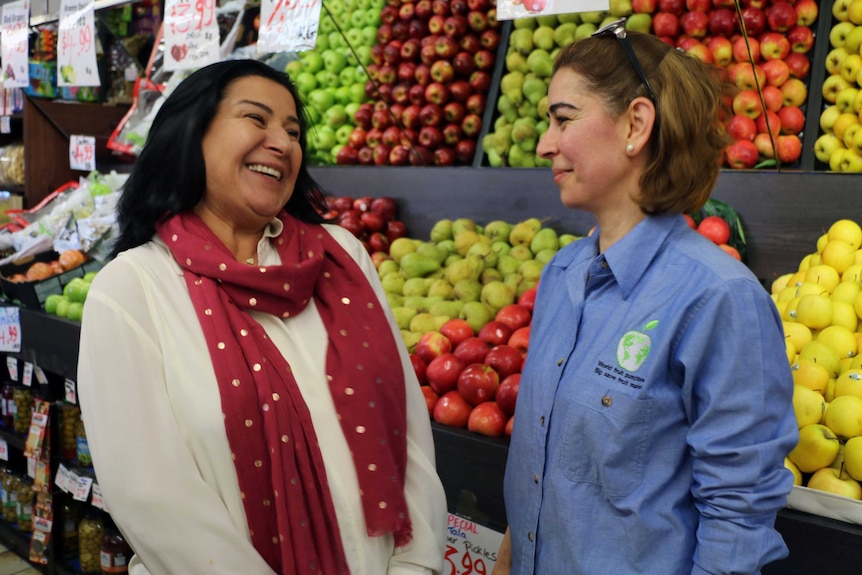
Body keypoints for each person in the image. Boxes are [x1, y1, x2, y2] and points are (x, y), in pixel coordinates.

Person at [77, 59, 447, 575]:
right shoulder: (132, 289)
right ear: (190, 135)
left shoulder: (341, 258)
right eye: (257, 119)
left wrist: (415, 565)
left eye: (293, 131)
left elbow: (404, 430)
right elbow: (152, 494)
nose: (283, 142)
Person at [493, 19, 798, 575]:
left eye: (563, 119)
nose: (544, 144)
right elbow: (538, 463)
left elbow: (737, 521)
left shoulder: (718, 299)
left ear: (636, 124)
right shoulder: (563, 273)